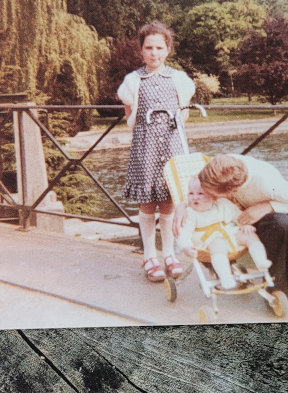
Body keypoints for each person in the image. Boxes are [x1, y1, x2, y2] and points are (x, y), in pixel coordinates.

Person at [117, 21, 196, 282]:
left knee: (169, 198)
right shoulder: (134, 81)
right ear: (141, 51)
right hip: (146, 146)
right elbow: (131, 116)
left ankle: (169, 254)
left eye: (159, 48)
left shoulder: (178, 79)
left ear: (168, 50)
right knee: (148, 199)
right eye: (149, 48)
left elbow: (184, 114)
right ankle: (149, 255)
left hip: (172, 144)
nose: (154, 53)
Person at [174, 154, 288, 292]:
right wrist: (183, 205)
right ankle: (222, 269)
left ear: (234, 191)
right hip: (232, 219)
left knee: (281, 224)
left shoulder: (268, 183)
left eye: (212, 194)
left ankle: (277, 286)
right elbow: (197, 189)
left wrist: (268, 206)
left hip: (265, 216)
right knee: (209, 239)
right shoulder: (218, 166)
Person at [177, 176, 271, 289]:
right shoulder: (190, 213)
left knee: (249, 235)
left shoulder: (223, 204)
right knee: (218, 243)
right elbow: (183, 232)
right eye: (191, 193)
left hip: (230, 234)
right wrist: (186, 246)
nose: (195, 197)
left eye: (200, 193)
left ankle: (260, 261)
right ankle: (225, 277)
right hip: (208, 241)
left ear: (213, 196)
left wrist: (245, 224)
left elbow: (237, 215)